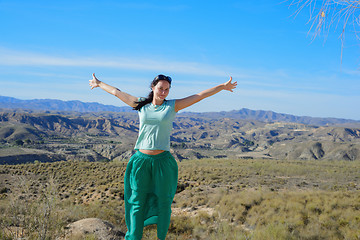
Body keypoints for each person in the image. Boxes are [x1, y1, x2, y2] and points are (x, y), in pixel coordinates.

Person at [89, 73, 237, 240]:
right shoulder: (141, 104)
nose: (163, 92)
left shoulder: (172, 106)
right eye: (160, 88)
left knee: (164, 204)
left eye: (167, 89)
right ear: (153, 87)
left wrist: (222, 87)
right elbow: (117, 92)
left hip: (163, 163)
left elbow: (199, 96)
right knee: (137, 203)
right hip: (141, 162)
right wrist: (99, 83)